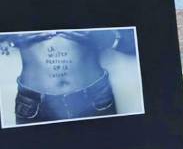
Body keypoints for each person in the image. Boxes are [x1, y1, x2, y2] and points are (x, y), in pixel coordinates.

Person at [1, 30, 131, 125]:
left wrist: (110, 37)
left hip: (96, 99)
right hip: (32, 104)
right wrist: (9, 35)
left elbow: (141, 41)